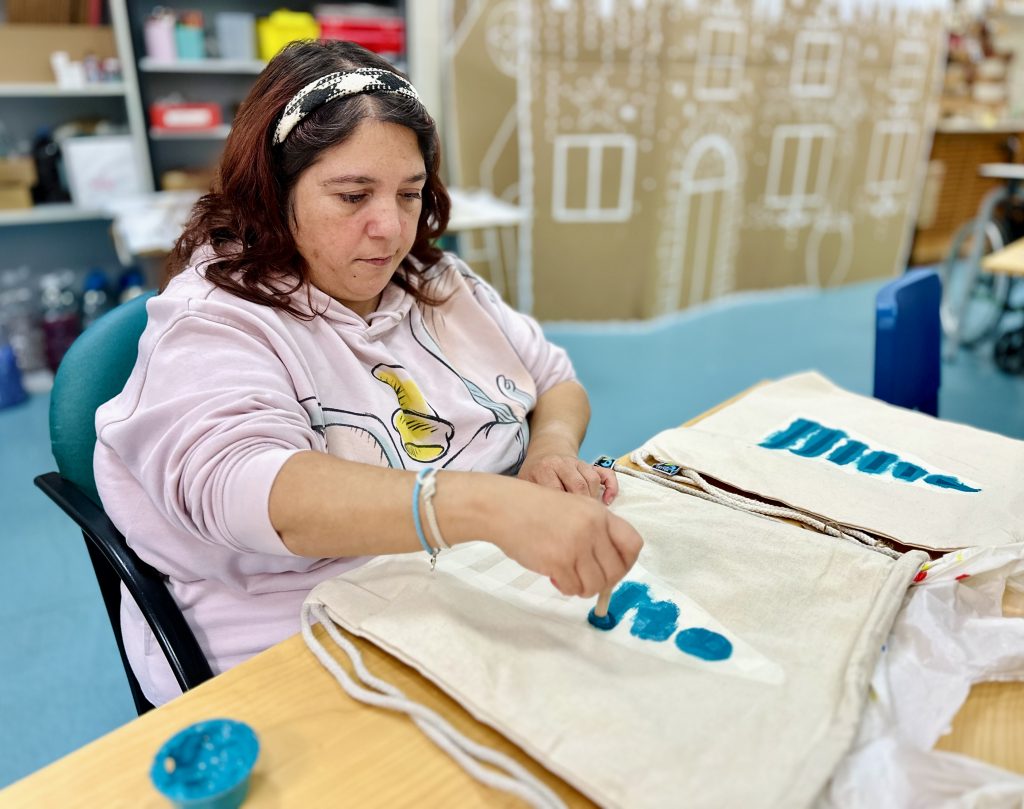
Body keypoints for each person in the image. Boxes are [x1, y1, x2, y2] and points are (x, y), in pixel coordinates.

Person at [94, 40, 643, 707]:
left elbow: (554, 380)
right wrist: (487, 507)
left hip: (465, 588)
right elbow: (249, 487)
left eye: (409, 194)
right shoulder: (214, 321)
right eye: (353, 196)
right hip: (305, 638)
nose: (390, 229)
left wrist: (548, 451)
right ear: (273, 193)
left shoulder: (434, 282)